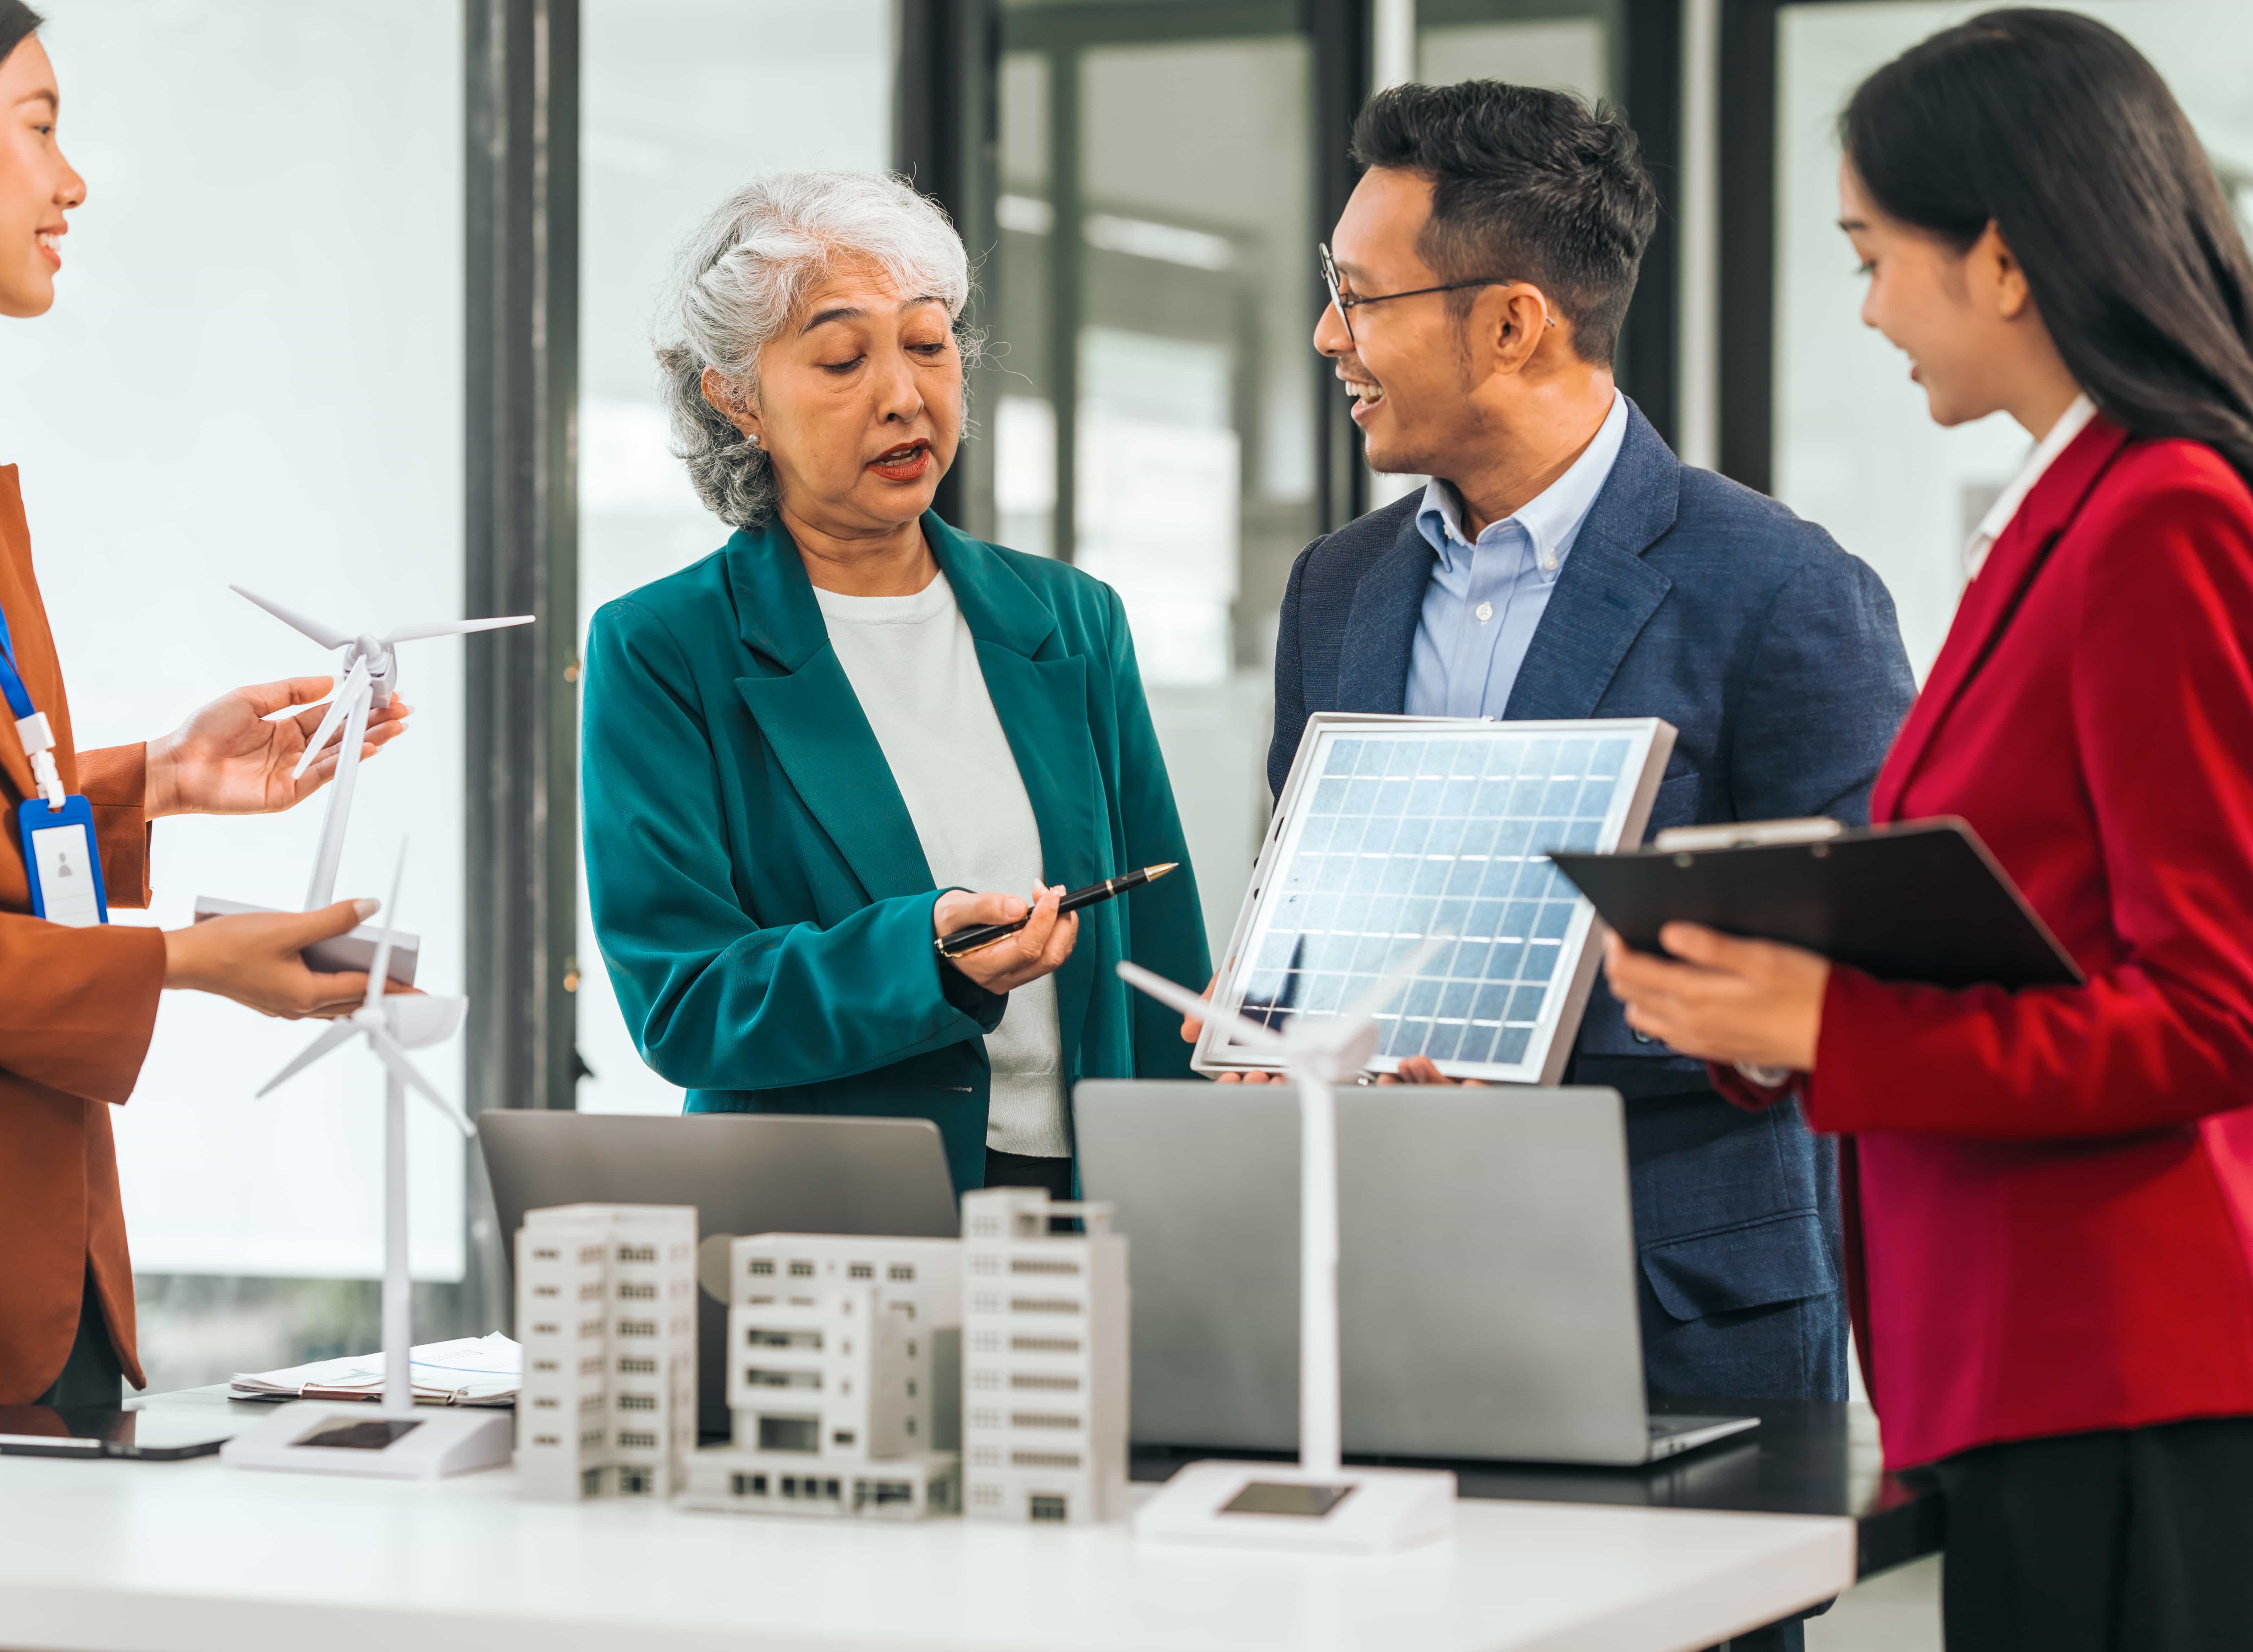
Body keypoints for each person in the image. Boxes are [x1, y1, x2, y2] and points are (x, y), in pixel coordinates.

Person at [1603, 12, 2253, 1648]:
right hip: (2031, 1357)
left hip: (2129, 1361)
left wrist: (1835, 1023)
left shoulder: (2164, 515)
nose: (1873, 307)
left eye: (1874, 255)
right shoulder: (2063, 508)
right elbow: (2031, 923)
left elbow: (2213, 1011)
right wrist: (1777, 1007)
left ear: (2007, 259)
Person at [0, 0, 409, 1430]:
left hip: (42, 1278)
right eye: (42, 127)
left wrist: (159, 783)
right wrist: (180, 961)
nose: (74, 182)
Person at [1271, 81, 1916, 1413]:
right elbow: (1307, 912)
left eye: (1360, 295)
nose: (1328, 334)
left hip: (1674, 1306)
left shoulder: (1781, 588)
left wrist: (1514, 1018)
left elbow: (1868, 980)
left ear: (1510, 322)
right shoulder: (1336, 587)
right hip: (1383, 1290)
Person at [582, 171, 1208, 1197]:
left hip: (1085, 1197)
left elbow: (1161, 960)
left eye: (927, 344)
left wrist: (1194, 1204)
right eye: (841, 359)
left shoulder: (1071, 618)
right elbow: (685, 1001)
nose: (905, 394)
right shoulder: (663, 647)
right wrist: (921, 955)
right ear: (737, 399)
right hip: (830, 1213)